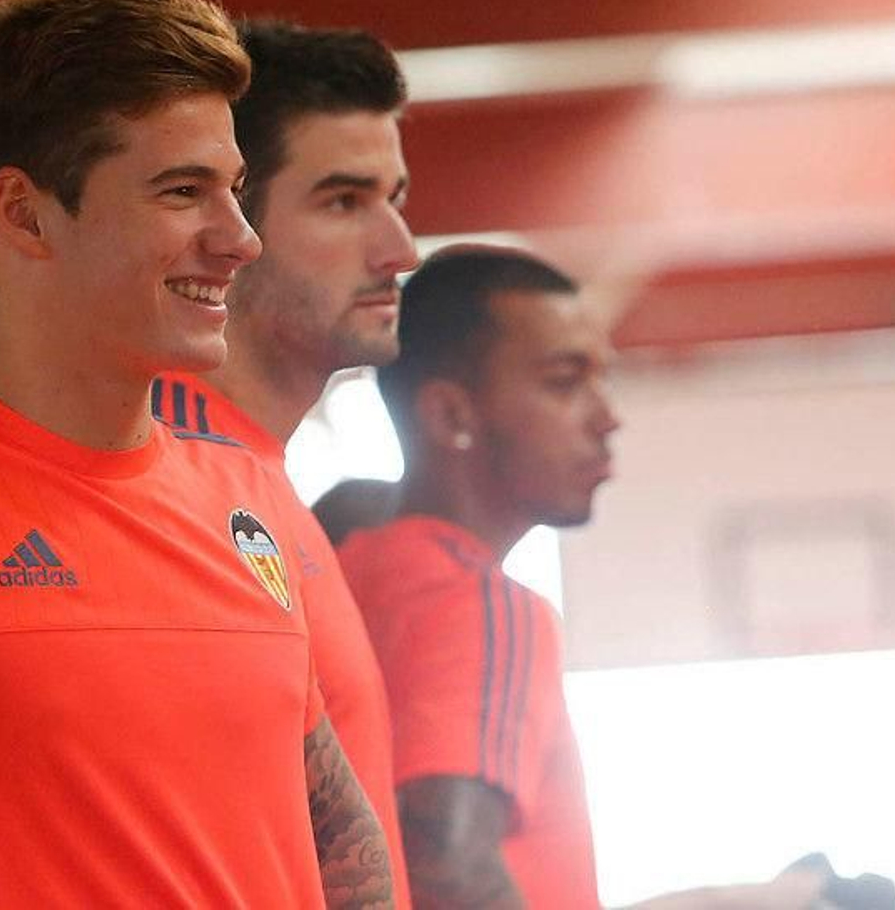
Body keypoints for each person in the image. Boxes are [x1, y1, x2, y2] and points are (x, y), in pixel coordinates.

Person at [0, 0, 393, 908]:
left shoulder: (246, 499)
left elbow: (337, 836)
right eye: (182, 191)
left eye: (236, 189)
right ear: (24, 213)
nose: (240, 237)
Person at [337, 247, 841, 910]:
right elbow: (446, 864)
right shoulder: (479, 601)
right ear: (452, 415)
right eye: (564, 381)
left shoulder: (347, 568)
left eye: (601, 379)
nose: (607, 417)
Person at [153, 17, 419, 905]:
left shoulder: (255, 480)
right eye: (343, 201)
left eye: (396, 197)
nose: (398, 251)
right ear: (232, 225)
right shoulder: (171, 480)